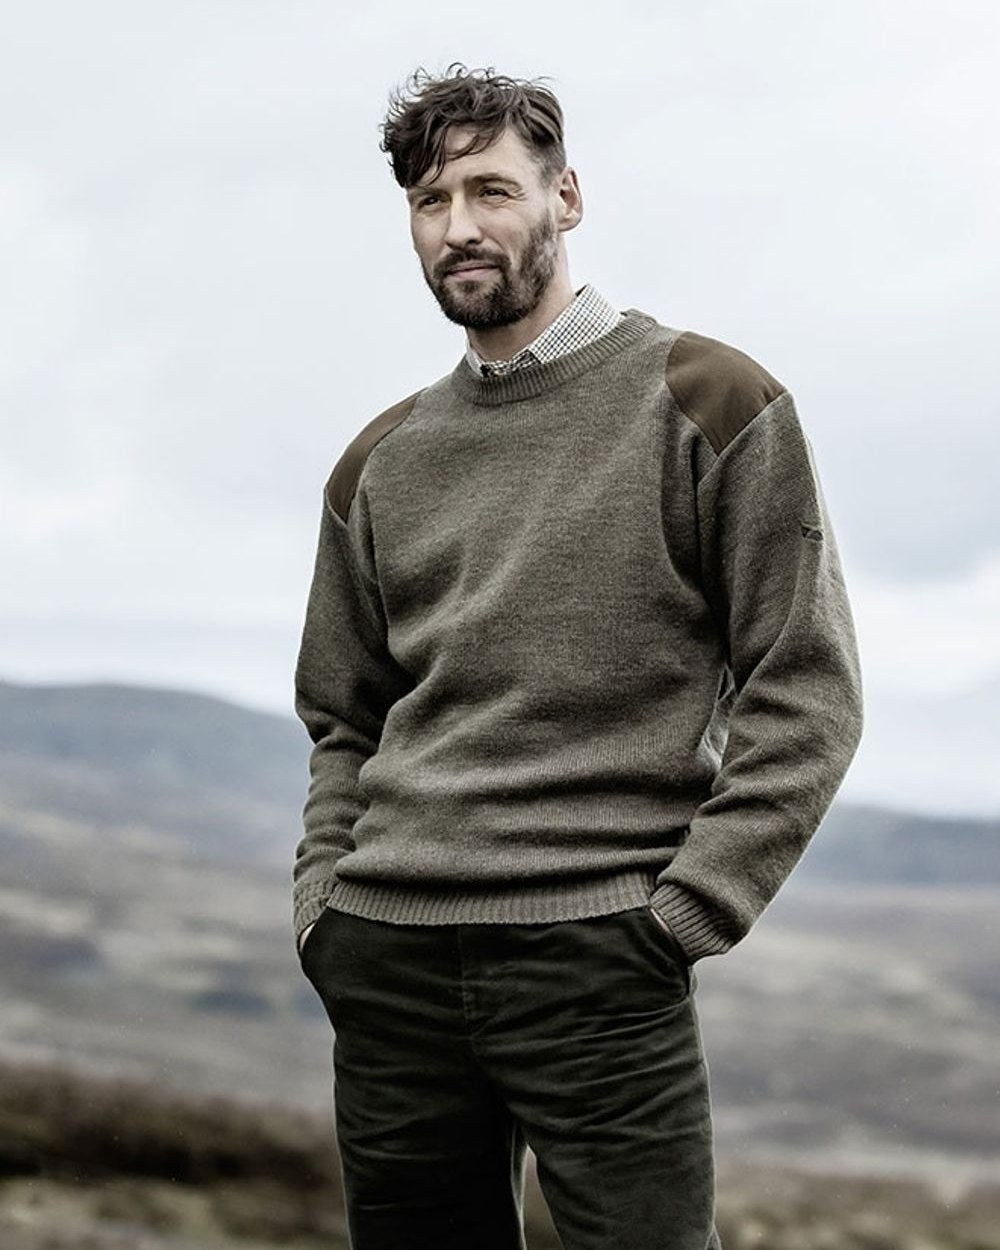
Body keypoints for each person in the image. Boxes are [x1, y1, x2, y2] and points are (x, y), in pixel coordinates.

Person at [292, 64, 863, 1250]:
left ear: (566, 197)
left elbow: (804, 685)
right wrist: (324, 911)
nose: (459, 227)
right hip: (389, 960)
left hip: (600, 956)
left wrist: (683, 911)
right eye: (430, 200)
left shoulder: (709, 400)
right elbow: (345, 717)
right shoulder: (380, 461)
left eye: (492, 189)